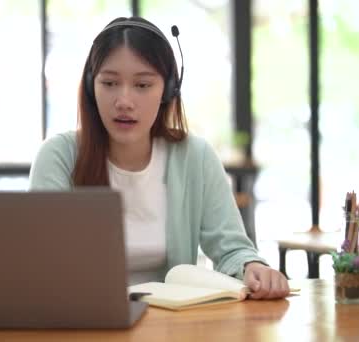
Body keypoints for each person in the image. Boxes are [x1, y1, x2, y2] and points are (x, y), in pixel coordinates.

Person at [29, 16, 289, 299]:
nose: (124, 101)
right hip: (85, 321)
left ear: (167, 91)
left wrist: (251, 266)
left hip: (169, 326)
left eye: (142, 85)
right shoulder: (59, 157)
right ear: (92, 87)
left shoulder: (195, 157)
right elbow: (42, 263)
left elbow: (233, 249)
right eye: (110, 83)